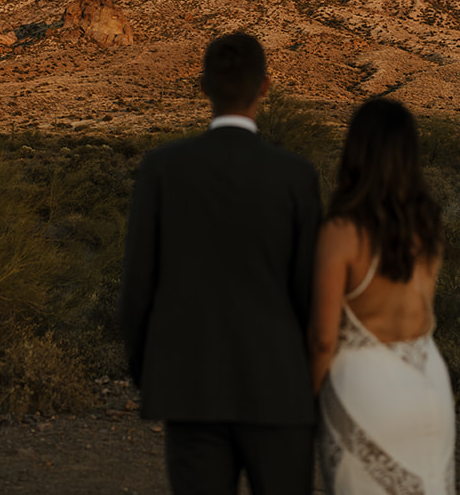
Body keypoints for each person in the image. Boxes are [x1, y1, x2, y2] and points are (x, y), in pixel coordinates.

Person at [118, 31, 323, 495]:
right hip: (278, 389)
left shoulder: (162, 169)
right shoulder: (295, 176)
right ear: (265, 87)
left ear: (202, 86)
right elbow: (309, 291)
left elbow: (137, 287)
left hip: (191, 389)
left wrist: (148, 371)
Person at [308, 97, 455, 494]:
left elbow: (323, 339)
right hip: (429, 382)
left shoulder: (342, 233)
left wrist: (306, 404)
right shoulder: (428, 224)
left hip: (366, 390)